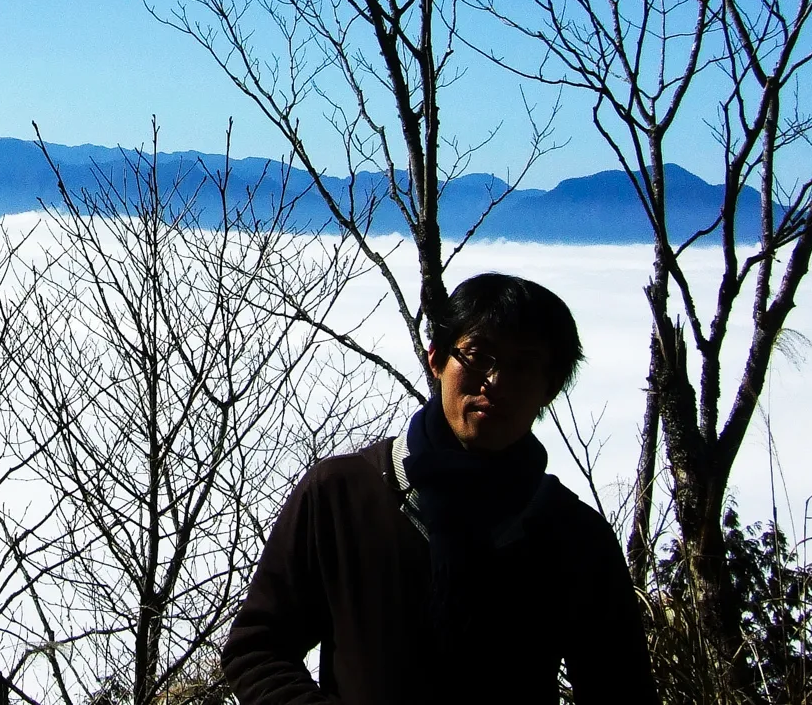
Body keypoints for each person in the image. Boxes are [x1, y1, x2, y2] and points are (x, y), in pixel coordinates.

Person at [221, 273, 655, 705]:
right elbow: (258, 647)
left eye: (523, 365)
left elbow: (622, 689)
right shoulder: (343, 494)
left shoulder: (572, 535)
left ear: (551, 387)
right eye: (478, 356)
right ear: (437, 359)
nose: (495, 382)